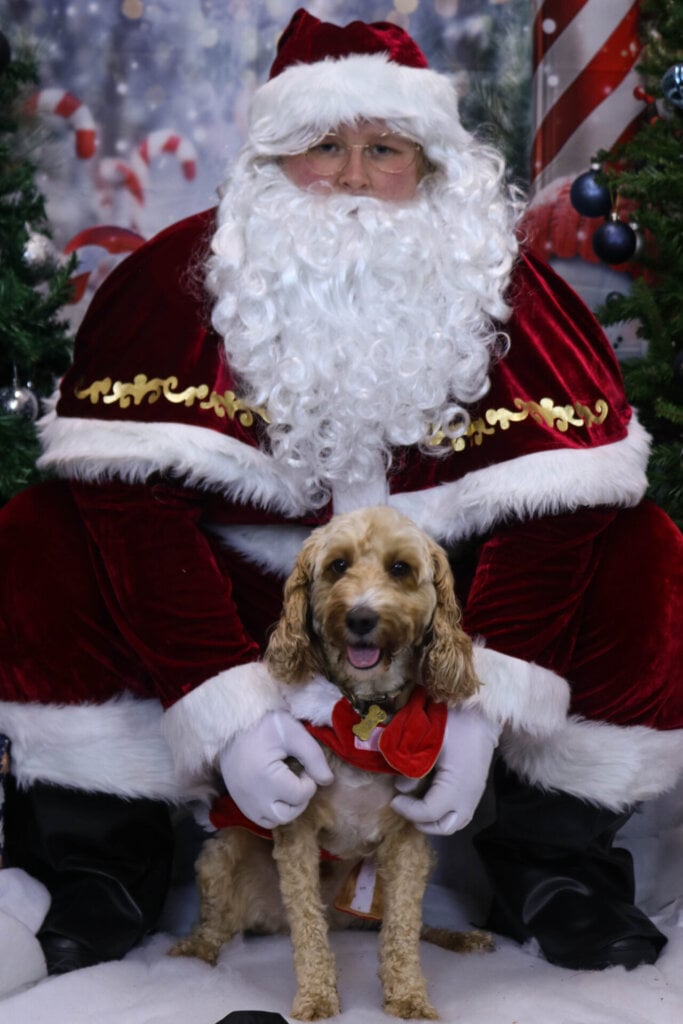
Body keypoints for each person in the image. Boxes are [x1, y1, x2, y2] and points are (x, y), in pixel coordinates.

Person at [1, 7, 681, 978]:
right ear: (274, 157)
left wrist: (478, 708)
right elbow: (128, 514)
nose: (354, 176)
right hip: (237, 610)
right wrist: (227, 711)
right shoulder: (168, 285)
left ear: (430, 164)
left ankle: (558, 864)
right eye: (323, 146)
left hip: (445, 611)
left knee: (641, 550)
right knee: (42, 534)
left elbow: (560, 517)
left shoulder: (512, 299)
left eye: (383, 147)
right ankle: (99, 862)